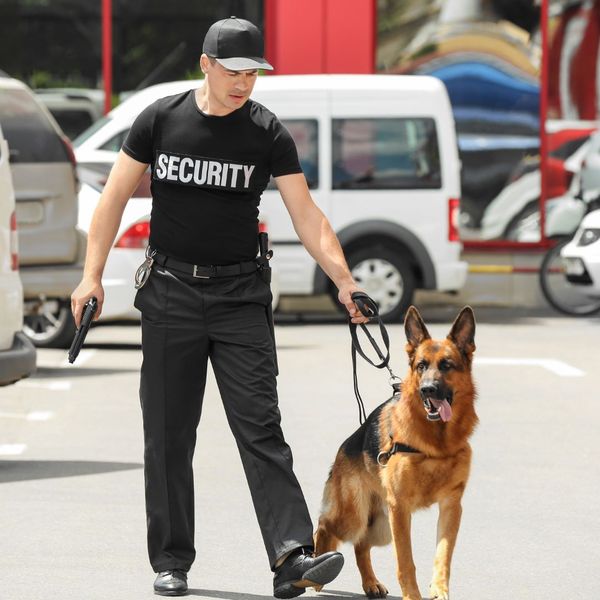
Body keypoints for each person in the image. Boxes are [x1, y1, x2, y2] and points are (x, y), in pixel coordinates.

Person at [71, 16, 369, 598]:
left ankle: (291, 556)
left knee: (261, 426)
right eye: (233, 72)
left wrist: (344, 280)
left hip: (240, 298)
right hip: (171, 294)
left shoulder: (267, 133)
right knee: (168, 433)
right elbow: (111, 198)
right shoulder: (161, 120)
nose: (244, 84)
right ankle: (172, 560)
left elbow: (306, 215)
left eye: (253, 73)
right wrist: (91, 277)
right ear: (206, 65)